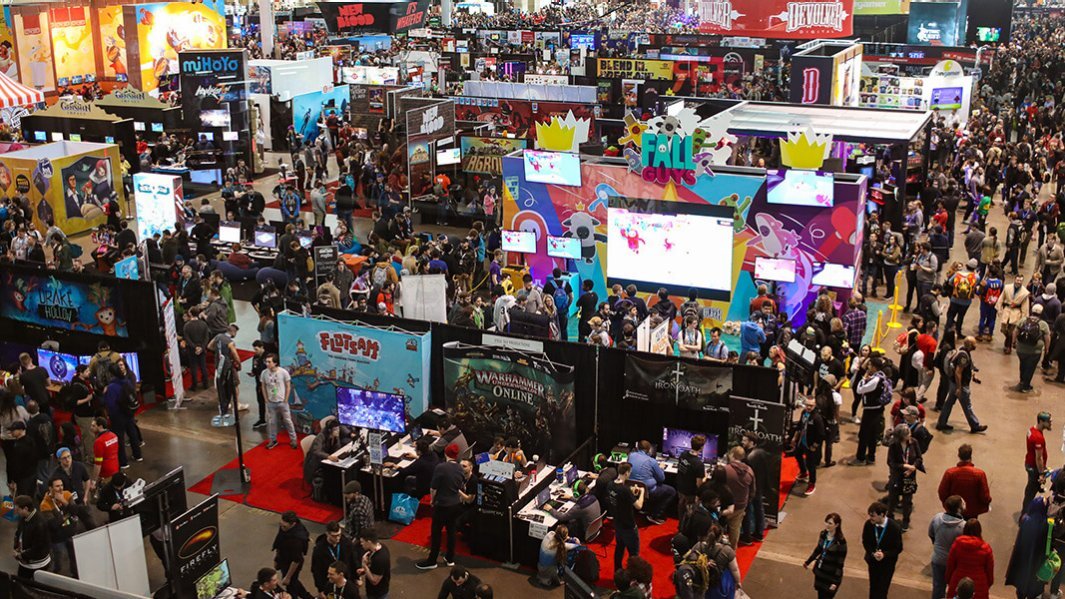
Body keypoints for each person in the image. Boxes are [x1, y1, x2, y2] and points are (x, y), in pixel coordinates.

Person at [416, 443, 468, 570]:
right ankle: (450, 558)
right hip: (455, 504)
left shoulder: (441, 467)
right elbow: (461, 485)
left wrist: (432, 500)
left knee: (436, 532)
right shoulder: (460, 468)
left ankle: (432, 560)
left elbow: (433, 488)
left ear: (446, 453)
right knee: (451, 531)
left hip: (442, 504)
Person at [935, 337, 987, 434]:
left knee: (948, 403)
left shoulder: (962, 350)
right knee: (967, 406)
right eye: (974, 344)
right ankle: (975, 425)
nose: (976, 345)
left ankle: (941, 423)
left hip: (954, 383)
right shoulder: (963, 356)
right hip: (960, 385)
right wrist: (959, 388)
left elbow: (967, 368)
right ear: (970, 345)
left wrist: (973, 376)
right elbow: (958, 372)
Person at [607, 462, 644, 573]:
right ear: (627, 473)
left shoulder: (610, 485)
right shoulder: (625, 490)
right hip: (629, 526)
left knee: (619, 548)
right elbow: (639, 506)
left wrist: (631, 493)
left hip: (617, 524)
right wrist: (642, 492)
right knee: (634, 554)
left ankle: (617, 572)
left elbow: (621, 498)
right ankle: (633, 575)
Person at [626, 440, 675, 524]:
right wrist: (661, 468)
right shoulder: (652, 461)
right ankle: (655, 515)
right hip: (648, 491)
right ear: (649, 450)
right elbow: (661, 478)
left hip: (632, 488)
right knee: (671, 491)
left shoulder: (631, 455)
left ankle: (644, 508)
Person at [938, 444, 992, 520]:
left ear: (958, 455)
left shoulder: (950, 473)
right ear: (971, 456)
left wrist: (949, 505)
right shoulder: (980, 474)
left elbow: (942, 492)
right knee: (970, 527)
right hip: (972, 512)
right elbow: (985, 496)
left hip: (954, 510)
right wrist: (988, 502)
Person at [862, 501, 903, 599]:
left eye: (873, 516)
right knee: (873, 587)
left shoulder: (894, 528)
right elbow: (865, 542)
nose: (871, 518)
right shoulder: (869, 525)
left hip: (887, 565)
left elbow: (898, 548)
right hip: (873, 562)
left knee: (882, 590)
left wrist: (884, 554)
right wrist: (872, 553)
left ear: (882, 515)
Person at [929, 495, 967, 599]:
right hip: (954, 563)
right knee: (954, 588)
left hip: (938, 559)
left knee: (938, 587)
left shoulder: (937, 518)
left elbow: (931, 534)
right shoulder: (963, 526)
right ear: (959, 509)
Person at [946, 519, 994, 599]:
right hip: (979, 586)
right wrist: (986, 585)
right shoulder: (986, 548)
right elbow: (989, 571)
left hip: (957, 581)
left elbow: (950, 565)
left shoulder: (957, 544)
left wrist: (949, 581)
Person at [802, 513, 847, 598]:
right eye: (826, 522)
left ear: (837, 525)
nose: (827, 525)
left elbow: (840, 563)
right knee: (820, 595)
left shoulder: (840, 542)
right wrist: (808, 562)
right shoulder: (823, 534)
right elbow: (818, 549)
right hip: (821, 573)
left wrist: (835, 582)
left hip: (831, 576)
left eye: (830, 523)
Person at [310, 521, 358, 597]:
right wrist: (320, 589)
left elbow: (353, 560)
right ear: (327, 534)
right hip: (329, 583)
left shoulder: (347, 543)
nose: (338, 538)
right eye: (334, 536)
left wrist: (357, 577)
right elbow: (316, 570)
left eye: (339, 535)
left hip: (347, 581)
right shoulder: (319, 549)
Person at [260, 354, 297, 450]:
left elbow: (288, 386)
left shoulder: (283, 372)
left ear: (275, 363)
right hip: (271, 402)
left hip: (282, 402)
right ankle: (273, 440)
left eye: (269, 362)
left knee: (288, 421)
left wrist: (286, 399)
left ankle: (293, 439)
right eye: (266, 361)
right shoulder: (264, 373)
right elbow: (263, 386)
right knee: (271, 422)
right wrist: (266, 399)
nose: (267, 363)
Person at [272, 511, 311, 599]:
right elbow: (279, 540)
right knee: (294, 582)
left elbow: (296, 560)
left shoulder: (297, 540)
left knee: (291, 585)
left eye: (284, 526)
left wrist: (287, 577)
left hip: (291, 564)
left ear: (293, 524)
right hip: (283, 557)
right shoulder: (284, 528)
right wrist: (276, 558)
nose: (282, 528)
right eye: (281, 525)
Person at [740, 432, 770, 544]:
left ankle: (747, 536)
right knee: (759, 509)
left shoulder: (748, 457)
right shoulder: (762, 453)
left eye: (745, 440)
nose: (742, 442)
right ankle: (759, 533)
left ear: (752, 442)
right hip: (759, 486)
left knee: (747, 511)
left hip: (750, 487)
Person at [722, 446, 755, 549]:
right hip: (740, 505)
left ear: (732, 455)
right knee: (735, 529)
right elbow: (753, 490)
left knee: (719, 527)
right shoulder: (750, 471)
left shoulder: (726, 469)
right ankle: (732, 551)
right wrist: (746, 501)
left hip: (725, 505)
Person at [792, 396, 825, 496]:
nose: (809, 407)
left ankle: (812, 483)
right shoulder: (804, 413)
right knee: (797, 454)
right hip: (802, 441)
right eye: (807, 405)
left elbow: (821, 434)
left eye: (811, 405)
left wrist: (814, 446)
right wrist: (795, 438)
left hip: (811, 445)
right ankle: (803, 472)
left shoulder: (817, 418)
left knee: (811, 465)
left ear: (815, 405)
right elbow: (800, 426)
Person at [1014, 304, 1051, 392]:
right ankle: (1025, 386)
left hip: (1021, 349)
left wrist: (1013, 342)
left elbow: (1015, 331)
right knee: (1030, 367)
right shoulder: (1043, 324)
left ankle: (1022, 381)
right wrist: (1047, 348)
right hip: (1035, 351)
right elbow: (1047, 338)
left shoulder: (1023, 320)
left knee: (1023, 365)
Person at [12, 495, 51, 578]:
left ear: (25, 509)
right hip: (25, 561)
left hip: (36, 564)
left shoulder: (39, 524)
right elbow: (19, 533)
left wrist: (21, 555)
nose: (16, 512)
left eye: (18, 509)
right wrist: (16, 547)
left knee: (26, 583)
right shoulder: (24, 517)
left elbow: (38, 547)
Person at [1023, 412, 1051, 511]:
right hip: (1034, 467)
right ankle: (1025, 513)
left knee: (1032, 484)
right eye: (1048, 421)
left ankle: (1037, 486)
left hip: (1029, 463)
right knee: (1030, 492)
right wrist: (1041, 474)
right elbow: (1038, 458)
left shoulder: (1031, 430)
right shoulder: (1038, 438)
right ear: (1041, 421)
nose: (1050, 422)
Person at [676, 434, 708, 518]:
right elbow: (699, 484)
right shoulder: (699, 464)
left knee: (681, 508)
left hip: (680, 488)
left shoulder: (683, 454)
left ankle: (681, 524)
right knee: (689, 514)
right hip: (690, 493)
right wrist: (705, 477)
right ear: (701, 447)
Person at [356, 527, 390, 599]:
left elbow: (374, 581)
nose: (361, 544)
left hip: (378, 593)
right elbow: (374, 567)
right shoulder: (376, 549)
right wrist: (364, 570)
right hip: (371, 591)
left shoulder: (380, 558)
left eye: (362, 542)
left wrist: (364, 566)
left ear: (369, 542)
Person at [90, 416, 119, 484]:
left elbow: (98, 463)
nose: (91, 428)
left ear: (100, 427)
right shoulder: (114, 435)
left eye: (93, 426)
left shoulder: (99, 442)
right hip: (115, 466)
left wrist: (94, 481)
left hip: (105, 472)